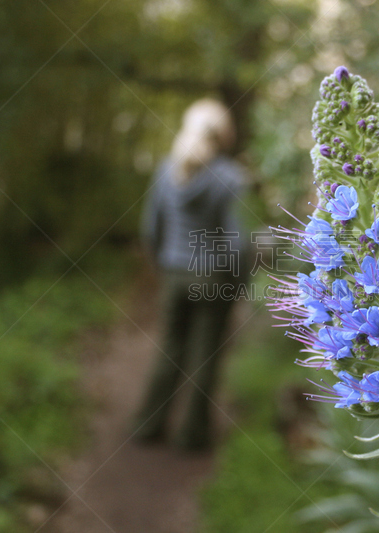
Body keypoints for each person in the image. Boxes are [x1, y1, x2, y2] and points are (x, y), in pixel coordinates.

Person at [135, 98, 248, 449]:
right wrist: (239, 284)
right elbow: (239, 242)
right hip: (213, 277)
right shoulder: (231, 177)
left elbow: (150, 228)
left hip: (173, 272)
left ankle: (148, 425)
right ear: (224, 134)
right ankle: (192, 435)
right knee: (205, 356)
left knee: (169, 350)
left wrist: (162, 264)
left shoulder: (168, 170)